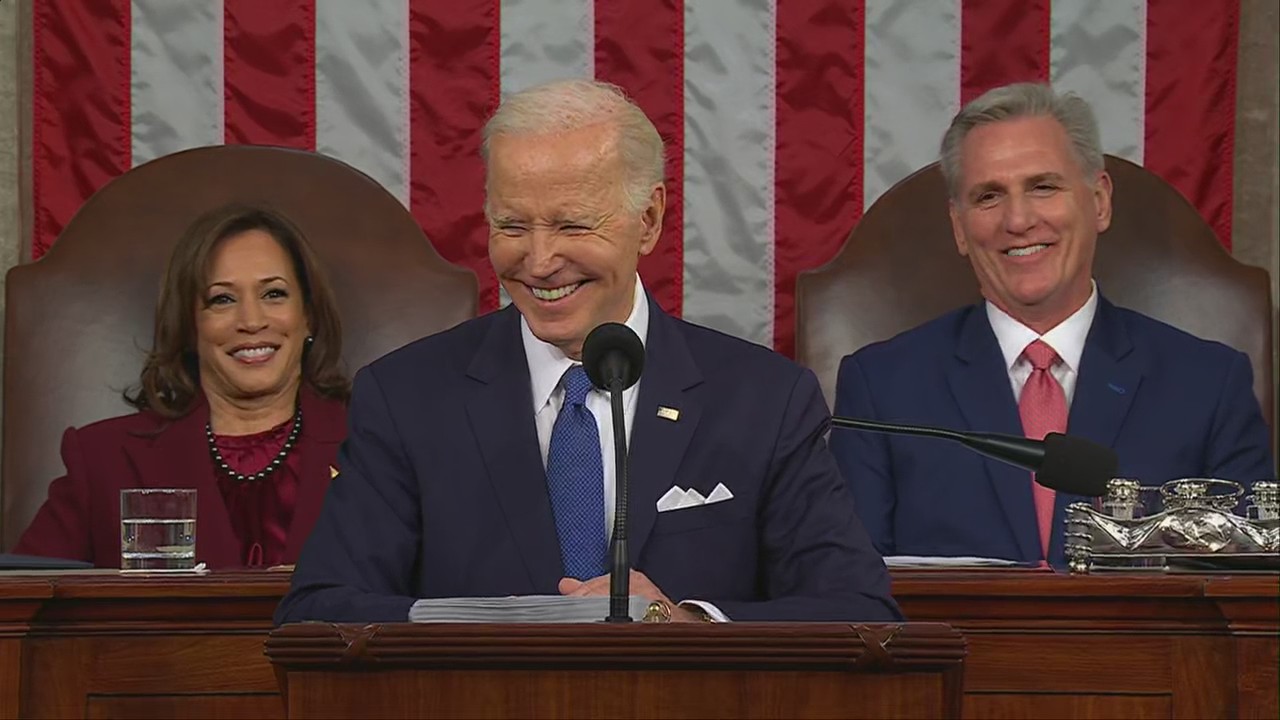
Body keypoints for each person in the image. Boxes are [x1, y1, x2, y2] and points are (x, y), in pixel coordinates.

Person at [277, 79, 899, 624]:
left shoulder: (764, 400)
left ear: (648, 220)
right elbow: (320, 608)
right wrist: (496, 624)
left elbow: (857, 608)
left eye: (573, 225)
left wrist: (686, 623)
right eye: (512, 226)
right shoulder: (407, 396)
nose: (540, 262)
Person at [830, 82, 1276, 568]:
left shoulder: (1208, 382)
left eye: (1043, 186)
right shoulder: (882, 388)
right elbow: (852, 596)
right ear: (959, 227)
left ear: (1100, 201)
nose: (1018, 220)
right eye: (988, 196)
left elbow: (1246, 593)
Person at [16, 205, 351, 569]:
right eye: (222, 299)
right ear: (190, 327)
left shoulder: (374, 447)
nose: (252, 321)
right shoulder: (101, 460)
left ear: (309, 316)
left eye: (273, 294)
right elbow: (25, 608)